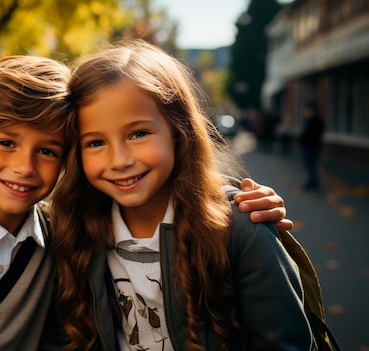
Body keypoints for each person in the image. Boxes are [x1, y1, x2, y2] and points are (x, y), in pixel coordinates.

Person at [0, 55, 292, 351]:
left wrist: (241, 204)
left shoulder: (62, 238)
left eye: (47, 151)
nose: (24, 166)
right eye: (5, 144)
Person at [49, 40, 314, 350]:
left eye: (138, 134)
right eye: (95, 142)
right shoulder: (72, 230)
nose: (119, 160)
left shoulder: (241, 229)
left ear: (178, 131)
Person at [298, 101, 325, 191]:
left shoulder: (313, 120)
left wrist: (302, 140)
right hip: (313, 146)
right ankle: (312, 182)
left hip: (310, 146)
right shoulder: (315, 119)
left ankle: (313, 183)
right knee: (311, 165)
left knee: (310, 165)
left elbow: (308, 134)